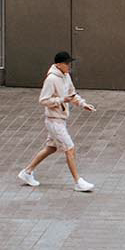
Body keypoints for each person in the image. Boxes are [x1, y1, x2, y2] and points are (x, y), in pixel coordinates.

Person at [17, 49, 94, 192]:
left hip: (60, 120)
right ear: (58, 64)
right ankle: (78, 182)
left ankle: (27, 172)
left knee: (51, 148)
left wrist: (83, 104)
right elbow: (43, 100)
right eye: (66, 63)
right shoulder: (51, 79)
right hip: (54, 121)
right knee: (70, 149)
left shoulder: (66, 76)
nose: (69, 66)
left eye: (69, 63)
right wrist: (61, 100)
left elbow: (72, 94)